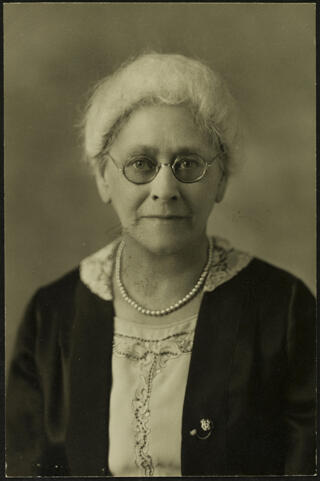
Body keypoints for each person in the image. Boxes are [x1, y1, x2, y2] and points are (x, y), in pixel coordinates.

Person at [6, 53, 316, 477]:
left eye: (188, 164)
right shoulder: (53, 314)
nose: (164, 189)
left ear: (221, 179)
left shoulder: (284, 308)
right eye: (141, 164)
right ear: (103, 177)